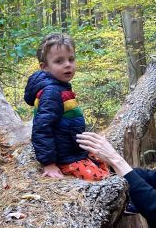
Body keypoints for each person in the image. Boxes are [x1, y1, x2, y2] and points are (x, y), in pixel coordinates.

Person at [24, 33, 109, 181]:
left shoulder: (60, 87)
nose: (67, 64)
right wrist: (48, 163)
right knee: (101, 180)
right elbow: (41, 129)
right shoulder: (52, 92)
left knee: (107, 162)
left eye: (71, 59)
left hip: (73, 151)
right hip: (65, 158)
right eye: (59, 61)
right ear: (45, 67)